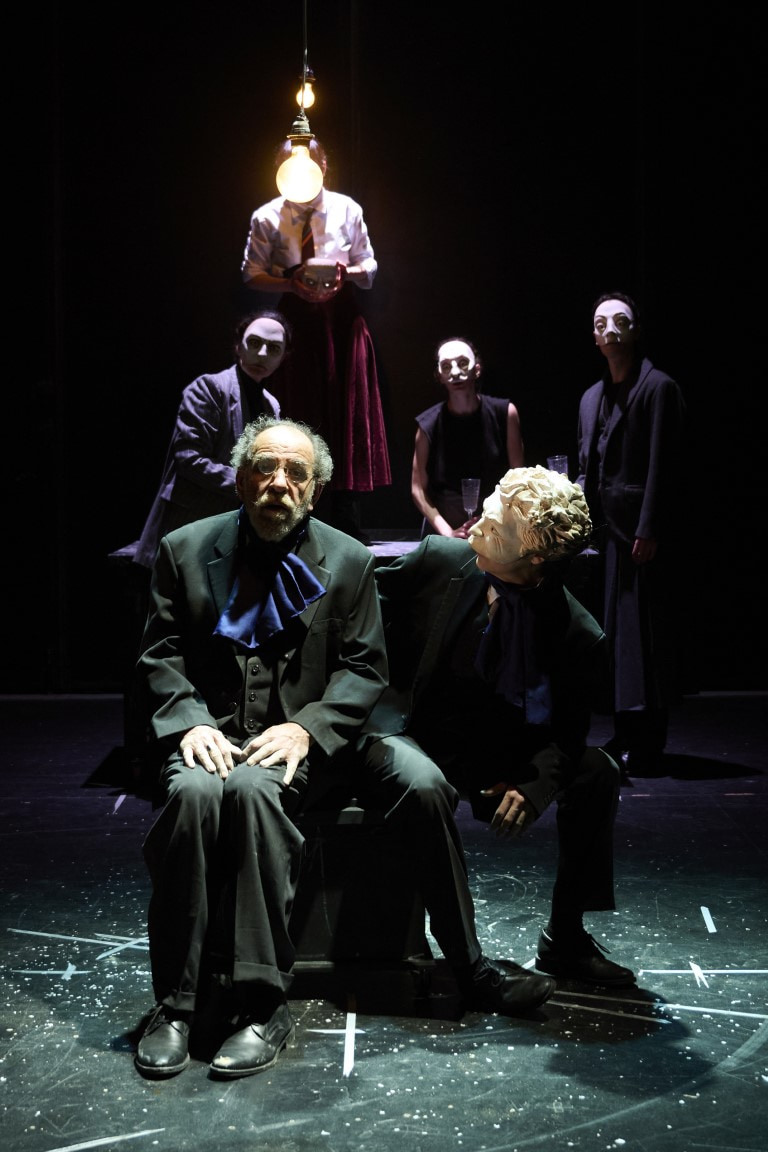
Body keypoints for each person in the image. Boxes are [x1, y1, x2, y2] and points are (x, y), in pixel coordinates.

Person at [134, 415, 554, 1082]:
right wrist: (188, 723)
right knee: (192, 795)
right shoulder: (185, 549)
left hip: (313, 738)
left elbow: (365, 666)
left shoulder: (349, 558)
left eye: (295, 472)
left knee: (386, 785)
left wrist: (307, 729)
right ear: (240, 480)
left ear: (315, 488)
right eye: (265, 468)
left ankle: (271, 1003)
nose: (279, 483)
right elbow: (160, 654)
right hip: (211, 736)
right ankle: (176, 1006)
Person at [370, 465, 635, 989]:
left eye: (497, 525)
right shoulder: (439, 560)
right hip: (419, 736)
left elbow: (569, 733)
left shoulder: (577, 632)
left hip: (499, 755)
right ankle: (455, 953)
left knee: (598, 771)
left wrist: (535, 786)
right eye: (492, 501)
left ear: (534, 557)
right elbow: (355, 612)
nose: (482, 519)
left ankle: (565, 939)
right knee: (423, 783)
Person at [241, 137, 391, 542]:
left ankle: (346, 513)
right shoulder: (267, 216)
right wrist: (290, 282)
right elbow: (250, 273)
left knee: (347, 410)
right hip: (297, 321)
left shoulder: (346, 208)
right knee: (299, 408)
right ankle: (294, 508)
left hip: (342, 320)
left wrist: (344, 274)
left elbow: (369, 268)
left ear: (322, 167)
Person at [576, 292, 687, 774]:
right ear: (594, 336)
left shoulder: (659, 388)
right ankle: (625, 728)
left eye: (620, 321)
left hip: (639, 533)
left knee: (644, 637)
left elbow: (665, 463)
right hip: (605, 533)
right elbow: (587, 465)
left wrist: (650, 526)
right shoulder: (591, 397)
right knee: (616, 639)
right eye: (601, 322)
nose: (610, 329)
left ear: (636, 329)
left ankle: (648, 737)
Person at [132, 310, 291, 571]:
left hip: (236, 528)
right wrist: (248, 484)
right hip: (192, 520)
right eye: (254, 342)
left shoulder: (271, 405)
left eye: (274, 348)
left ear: (283, 357)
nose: (262, 353)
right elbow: (189, 459)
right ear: (238, 345)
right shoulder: (209, 388)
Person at [411, 337, 524, 538]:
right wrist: (448, 533)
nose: (455, 373)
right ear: (439, 376)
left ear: (477, 369)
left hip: (497, 529)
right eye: (447, 366)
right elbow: (417, 489)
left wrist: (494, 521)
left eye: (463, 363)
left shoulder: (505, 413)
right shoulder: (428, 425)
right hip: (446, 532)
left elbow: (519, 477)